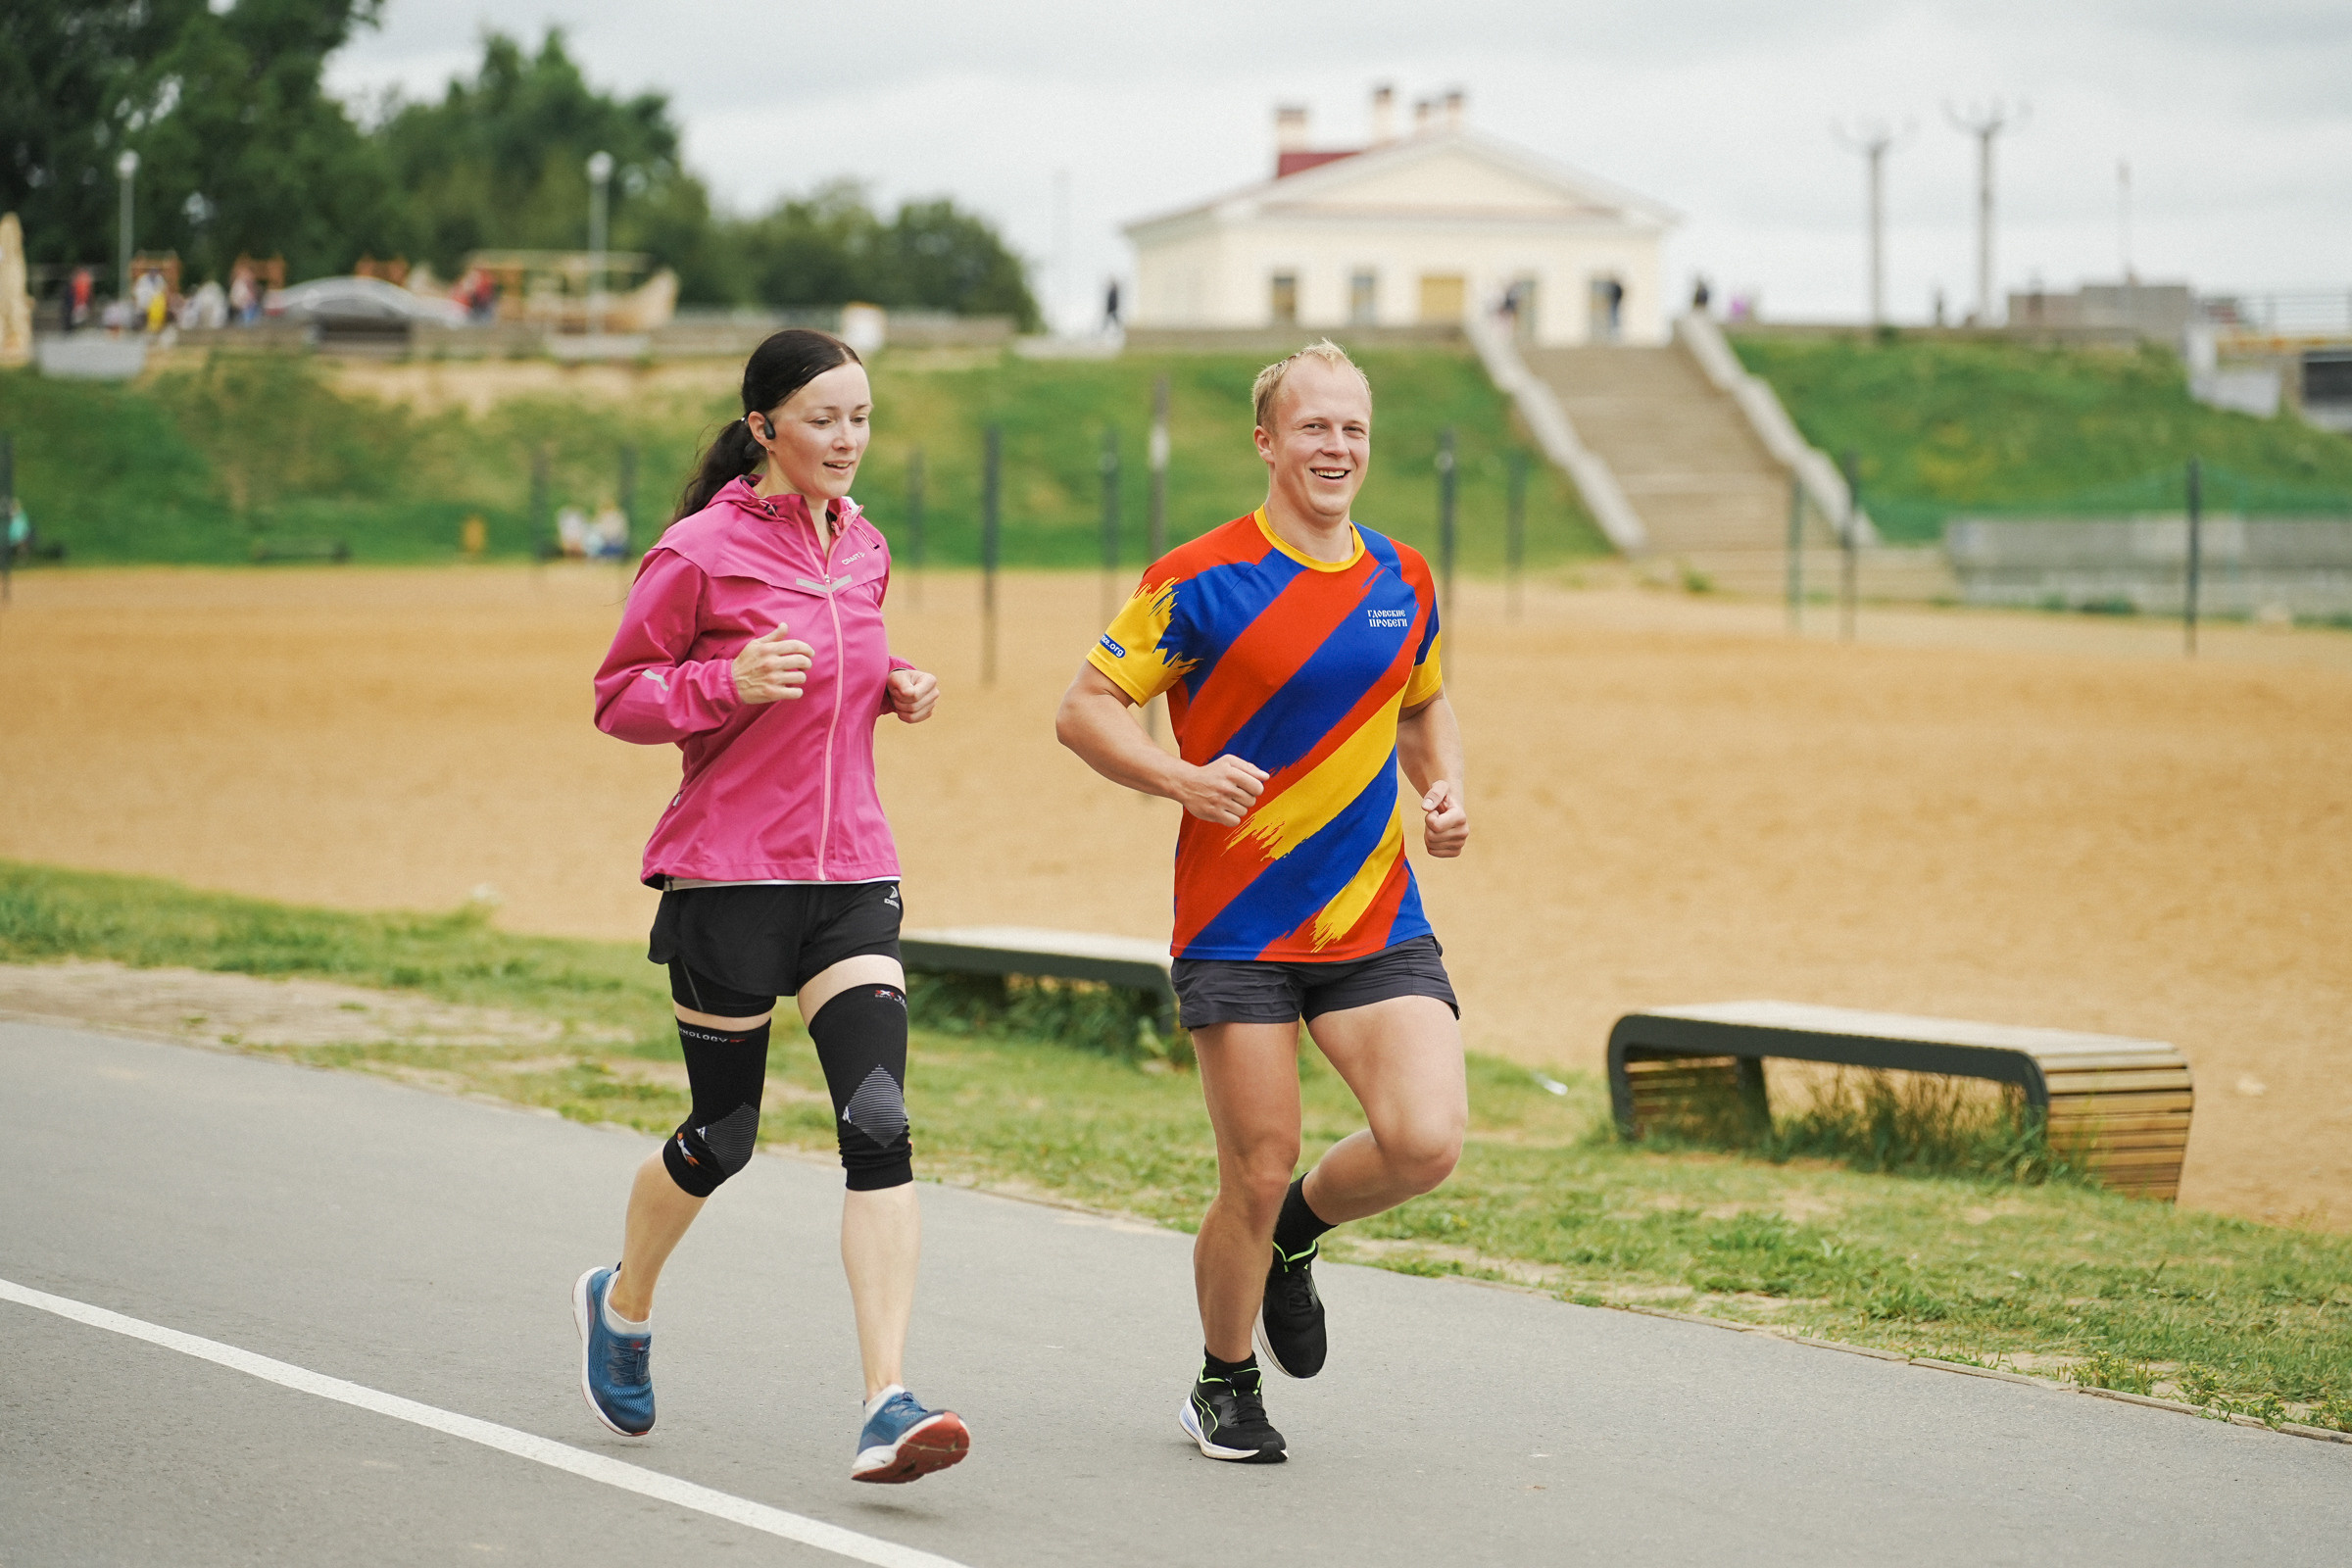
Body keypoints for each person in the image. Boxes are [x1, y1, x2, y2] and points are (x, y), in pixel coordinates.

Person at [1054, 339, 1470, 1464]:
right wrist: (1179, 778)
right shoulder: (1197, 577)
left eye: (1354, 429)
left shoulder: (1406, 578)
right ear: (1266, 440)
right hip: (1236, 926)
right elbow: (1086, 708)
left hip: (1373, 915)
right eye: (1314, 428)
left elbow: (1423, 704)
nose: (1337, 448)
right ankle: (1222, 1380)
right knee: (1255, 1161)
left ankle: (1297, 1239)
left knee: (1426, 1140)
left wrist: (1445, 789)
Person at [583, 327, 967, 1485]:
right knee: (726, 1136)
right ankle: (624, 1298)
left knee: (881, 1121)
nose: (847, 439)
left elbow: (842, 674)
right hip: (728, 877)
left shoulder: (868, 547)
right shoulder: (695, 554)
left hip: (850, 873)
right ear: (765, 427)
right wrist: (720, 682)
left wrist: (892, 685)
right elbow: (618, 699)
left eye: (860, 417)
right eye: (823, 419)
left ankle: (885, 1400)